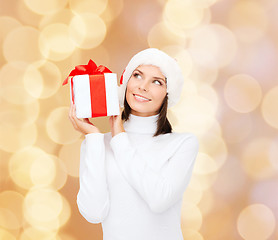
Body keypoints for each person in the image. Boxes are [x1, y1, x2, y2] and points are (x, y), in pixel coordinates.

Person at [68, 48, 199, 240]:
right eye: (137, 75)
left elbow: (159, 199)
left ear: (167, 94)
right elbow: (94, 213)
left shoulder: (182, 144)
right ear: (126, 82)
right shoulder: (97, 143)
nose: (143, 86)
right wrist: (94, 137)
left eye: (157, 81)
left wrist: (119, 137)